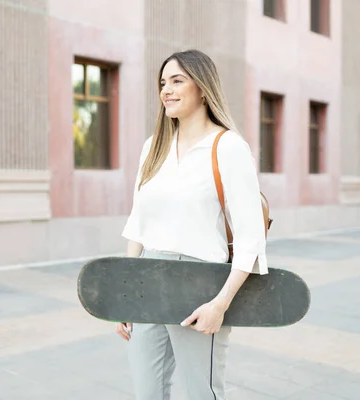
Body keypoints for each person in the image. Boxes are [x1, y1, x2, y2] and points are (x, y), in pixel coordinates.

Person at [117, 49, 268, 400]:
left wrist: (220, 304)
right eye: (162, 83)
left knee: (201, 392)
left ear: (202, 88)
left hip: (199, 284)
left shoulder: (228, 147)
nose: (166, 90)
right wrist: (122, 294)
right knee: (147, 393)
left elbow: (250, 238)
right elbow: (137, 224)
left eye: (177, 81)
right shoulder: (153, 147)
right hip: (148, 278)